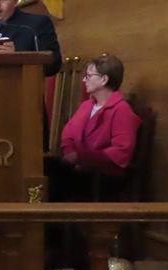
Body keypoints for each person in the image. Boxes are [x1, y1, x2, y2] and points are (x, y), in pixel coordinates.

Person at [59, 54, 141, 187]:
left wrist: (81, 158)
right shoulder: (86, 106)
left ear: (104, 80)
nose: (84, 80)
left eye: (89, 76)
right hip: (78, 169)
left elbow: (121, 151)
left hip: (103, 175)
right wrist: (70, 153)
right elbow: (68, 134)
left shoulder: (121, 110)